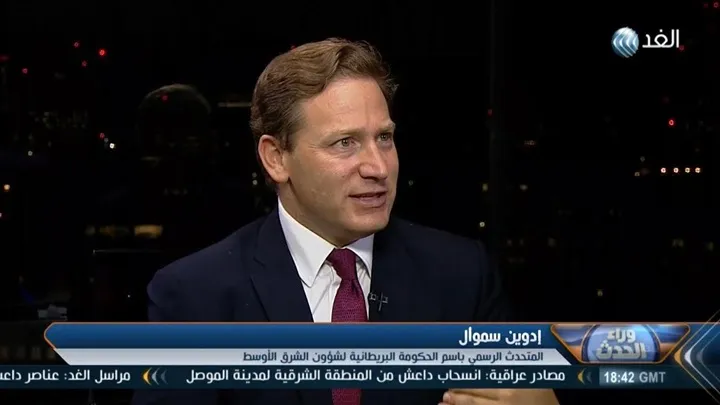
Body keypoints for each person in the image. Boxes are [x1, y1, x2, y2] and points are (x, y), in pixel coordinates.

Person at [132, 38, 559, 405]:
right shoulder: (194, 297)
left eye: (384, 138)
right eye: (345, 143)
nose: (378, 167)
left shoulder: (462, 275)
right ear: (276, 158)